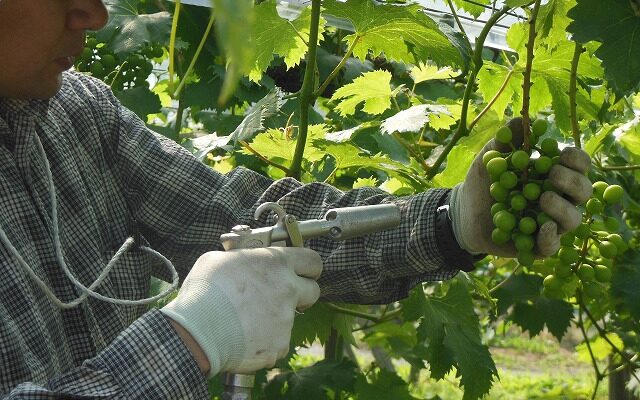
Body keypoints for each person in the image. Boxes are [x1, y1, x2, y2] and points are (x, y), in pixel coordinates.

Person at [0, 0, 593, 398]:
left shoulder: (76, 113)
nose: (94, 13)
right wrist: (188, 341)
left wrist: (449, 224)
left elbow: (237, 219)